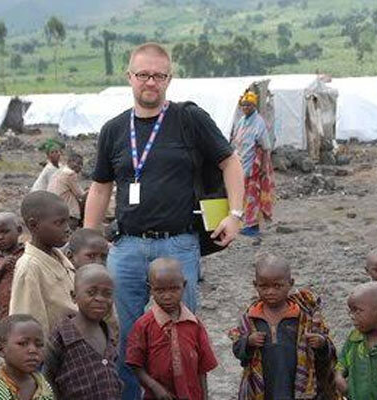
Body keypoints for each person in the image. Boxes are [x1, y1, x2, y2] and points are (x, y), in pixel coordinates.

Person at [84, 42, 244, 399]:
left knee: (177, 332)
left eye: (158, 75)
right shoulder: (113, 130)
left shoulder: (189, 119)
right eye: (143, 75)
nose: (150, 82)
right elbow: (100, 188)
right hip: (125, 248)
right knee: (125, 334)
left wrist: (236, 216)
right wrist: (88, 239)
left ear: (169, 78)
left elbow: (229, 162)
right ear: (130, 77)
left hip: (178, 246)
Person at [228, 253, 339, 400]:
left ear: (290, 283)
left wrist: (321, 343)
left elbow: (328, 355)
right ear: (255, 285)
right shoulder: (250, 319)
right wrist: (248, 342)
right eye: (264, 286)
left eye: (277, 286)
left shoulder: (305, 317)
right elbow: (239, 352)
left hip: (297, 388)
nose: (270, 292)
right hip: (264, 390)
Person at [125, 258, 217, 400]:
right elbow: (135, 364)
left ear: (184, 286)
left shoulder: (194, 325)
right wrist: (155, 387)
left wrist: (204, 397)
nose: (167, 296)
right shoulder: (143, 325)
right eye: (160, 290)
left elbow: (202, 369)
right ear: (150, 289)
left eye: (174, 289)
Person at [44, 264, 122, 399]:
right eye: (91, 292)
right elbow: (47, 378)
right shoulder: (62, 335)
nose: (100, 299)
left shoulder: (109, 333)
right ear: (74, 296)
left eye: (107, 294)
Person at [9, 191, 76, 337]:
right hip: (55, 352)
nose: (67, 228)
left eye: (67, 221)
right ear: (34, 225)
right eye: (59, 222)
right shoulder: (29, 268)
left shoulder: (60, 257)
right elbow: (27, 323)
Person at [0, 314, 54, 400]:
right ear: (1, 350)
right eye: (22, 344)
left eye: (39, 345)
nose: (33, 350)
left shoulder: (43, 387)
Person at [230, 91, 275, 237]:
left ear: (254, 106)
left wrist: (262, 167)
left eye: (248, 105)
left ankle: (253, 226)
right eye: (243, 105)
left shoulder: (258, 122)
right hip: (241, 164)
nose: (245, 108)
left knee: (253, 195)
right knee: (242, 195)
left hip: (254, 166)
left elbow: (265, 146)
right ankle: (245, 222)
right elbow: (236, 142)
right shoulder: (242, 121)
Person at [66, 228, 118, 344]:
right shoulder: (64, 280)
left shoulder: (105, 281)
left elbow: (111, 320)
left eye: (103, 257)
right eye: (91, 256)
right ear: (70, 257)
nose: (98, 262)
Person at [47, 152, 86, 230]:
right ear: (70, 162)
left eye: (81, 164)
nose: (79, 167)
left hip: (52, 209)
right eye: (78, 163)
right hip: (68, 213)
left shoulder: (59, 171)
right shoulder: (70, 174)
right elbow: (80, 195)